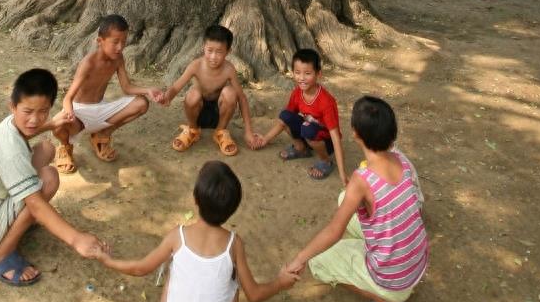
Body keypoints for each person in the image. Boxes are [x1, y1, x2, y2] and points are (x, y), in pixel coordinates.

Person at [90, 160, 297, 302]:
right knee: (232, 284)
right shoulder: (234, 244)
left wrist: (107, 260)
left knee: (173, 274)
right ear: (233, 208)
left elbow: (140, 268)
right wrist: (281, 282)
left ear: (195, 199)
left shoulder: (177, 236)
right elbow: (254, 294)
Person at [284, 95, 428, 302]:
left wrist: (300, 259)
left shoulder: (362, 180)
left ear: (356, 134)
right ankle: (372, 266)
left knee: (318, 261)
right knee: (345, 199)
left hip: (394, 280)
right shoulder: (400, 159)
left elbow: (334, 231)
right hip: (416, 262)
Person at [0, 67, 107, 286]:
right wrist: (76, 239)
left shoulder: (10, 124)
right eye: (28, 111)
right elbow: (35, 203)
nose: (34, 120)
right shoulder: (12, 152)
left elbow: (29, 130)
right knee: (49, 179)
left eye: (43, 111)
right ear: (12, 106)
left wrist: (51, 124)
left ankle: (16, 224)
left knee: (46, 148)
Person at [45, 14, 164, 171]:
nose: (120, 47)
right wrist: (69, 112)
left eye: (124, 42)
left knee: (141, 103)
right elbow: (68, 98)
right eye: (115, 42)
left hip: (101, 110)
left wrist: (147, 90)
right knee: (57, 124)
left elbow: (127, 87)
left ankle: (102, 134)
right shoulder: (88, 63)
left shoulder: (118, 59)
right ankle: (65, 147)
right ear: (100, 41)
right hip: (80, 114)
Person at [161, 23, 260, 156]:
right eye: (210, 50)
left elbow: (241, 98)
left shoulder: (229, 69)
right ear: (204, 47)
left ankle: (220, 132)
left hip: (219, 114)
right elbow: (176, 87)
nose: (213, 56)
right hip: (197, 113)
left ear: (228, 51)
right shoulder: (196, 65)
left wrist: (248, 131)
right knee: (193, 94)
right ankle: (193, 130)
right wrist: (167, 97)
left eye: (219, 52)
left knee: (230, 92)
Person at [252, 48, 347, 182]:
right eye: (297, 72)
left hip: (326, 142)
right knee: (286, 115)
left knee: (308, 129)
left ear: (318, 74)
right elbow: (285, 120)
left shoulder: (326, 102)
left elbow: (335, 138)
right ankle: (300, 148)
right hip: (308, 133)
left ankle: (325, 161)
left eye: (307, 73)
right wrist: (265, 139)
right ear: (293, 73)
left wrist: (343, 173)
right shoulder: (297, 93)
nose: (301, 78)